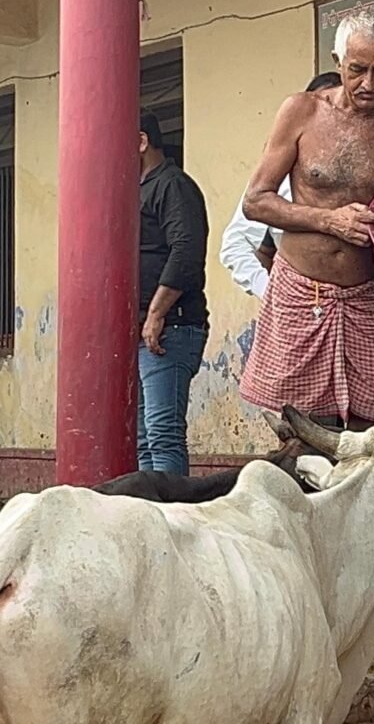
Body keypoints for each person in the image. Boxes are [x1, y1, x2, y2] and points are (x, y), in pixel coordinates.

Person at [239, 11, 374, 431]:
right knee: (299, 433)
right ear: (339, 62)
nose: (369, 84)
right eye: (357, 70)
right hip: (302, 291)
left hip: (370, 298)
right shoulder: (301, 112)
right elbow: (256, 201)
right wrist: (330, 221)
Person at [219, 72, 340, 300]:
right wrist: (273, 295)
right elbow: (235, 245)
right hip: (296, 312)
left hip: (362, 310)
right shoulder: (280, 177)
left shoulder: (369, 176)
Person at [137, 111, 210, 475]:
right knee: (144, 439)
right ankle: (153, 517)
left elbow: (185, 253)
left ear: (141, 141)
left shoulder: (173, 185)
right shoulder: (140, 188)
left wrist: (156, 313)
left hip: (171, 328)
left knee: (163, 435)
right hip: (147, 329)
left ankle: (174, 523)